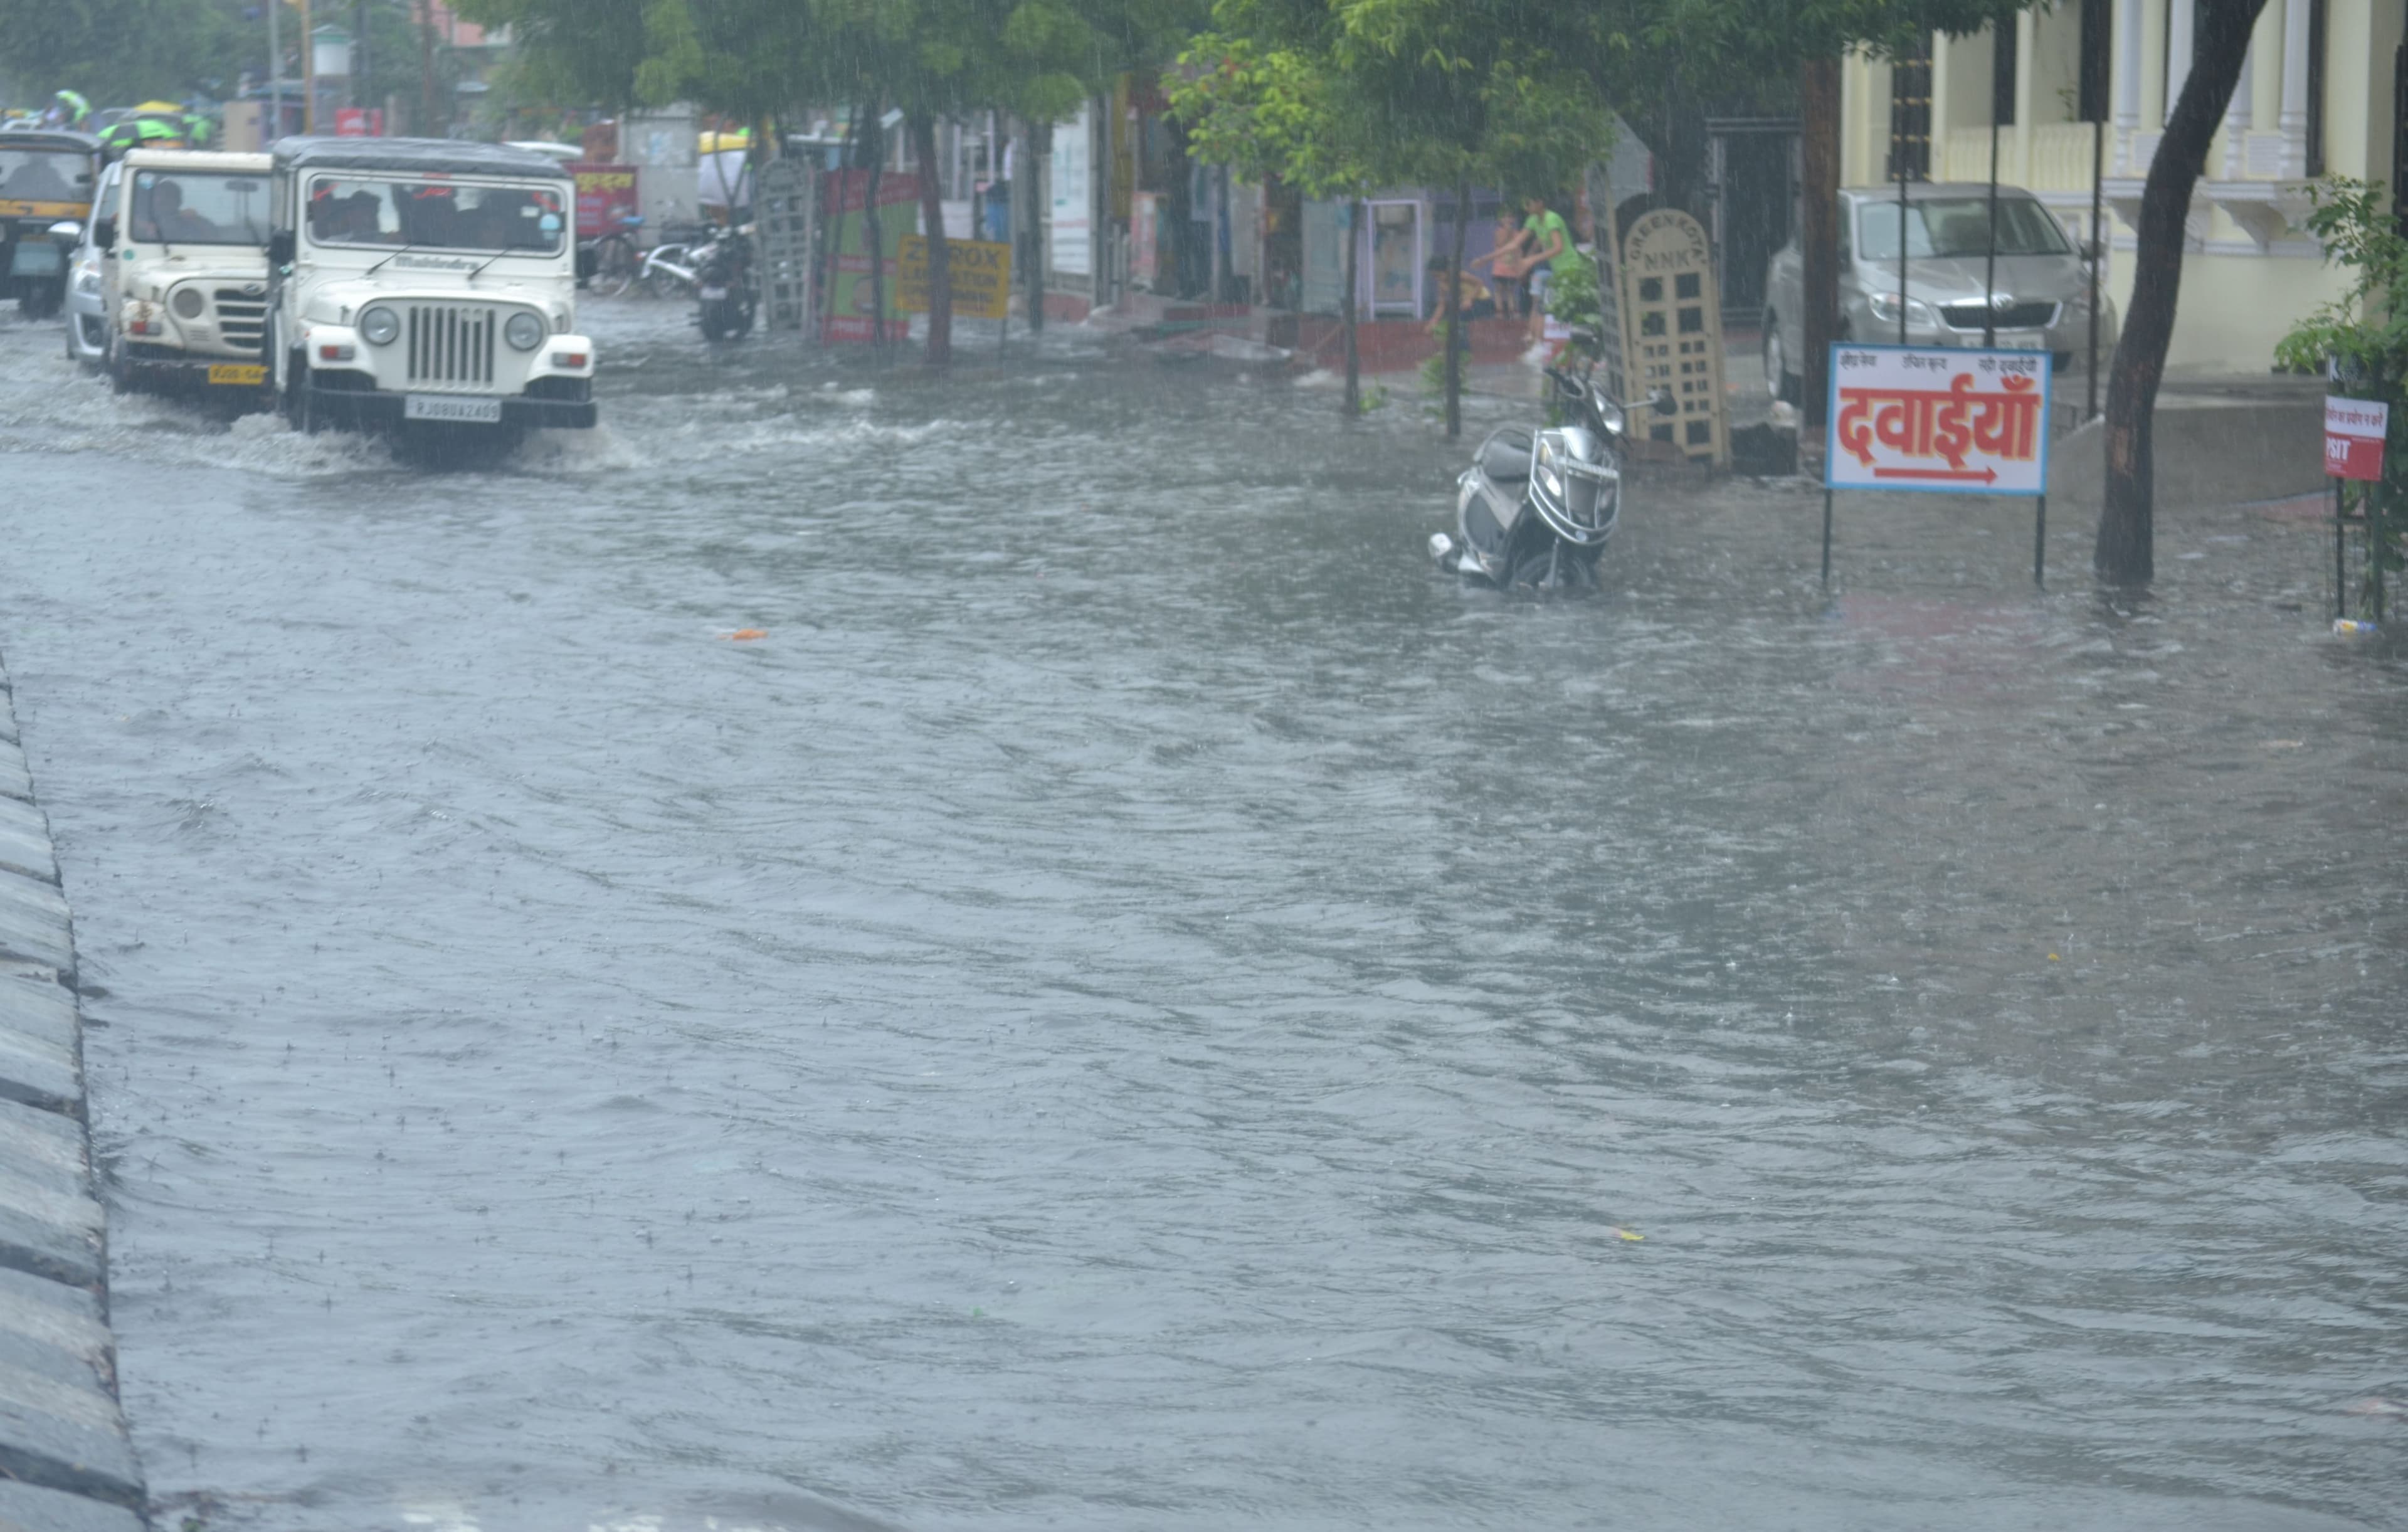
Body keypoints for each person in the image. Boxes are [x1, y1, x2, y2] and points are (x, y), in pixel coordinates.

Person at [1515, 193, 1570, 348]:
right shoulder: (1554, 228)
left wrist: (1525, 266)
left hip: (1539, 272)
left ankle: (1532, 336)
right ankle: (1539, 341)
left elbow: (1533, 249)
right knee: (1545, 309)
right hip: (1551, 271)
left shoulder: (1542, 231)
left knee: (1536, 306)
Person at [1464, 210, 1526, 315]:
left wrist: (1520, 265)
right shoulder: (1499, 231)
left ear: (1514, 219)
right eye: (1505, 217)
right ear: (1500, 220)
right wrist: (1508, 232)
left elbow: (1519, 249)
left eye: (1510, 217)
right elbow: (1500, 243)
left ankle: (1513, 312)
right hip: (1500, 267)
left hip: (1511, 267)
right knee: (1499, 290)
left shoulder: (1518, 234)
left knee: (1510, 291)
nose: (1508, 219)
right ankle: (1499, 312)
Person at [1424, 255, 1496, 334]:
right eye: (1434, 276)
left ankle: (1462, 339)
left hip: (1484, 302)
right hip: (1467, 305)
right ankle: (1458, 339)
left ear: (1447, 270)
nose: (1437, 279)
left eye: (1438, 275)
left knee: (1459, 317)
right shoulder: (1441, 285)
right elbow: (1441, 304)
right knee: (1450, 317)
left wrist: (1469, 299)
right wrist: (1433, 322)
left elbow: (1479, 283)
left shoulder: (1459, 275)